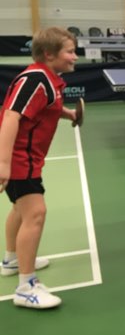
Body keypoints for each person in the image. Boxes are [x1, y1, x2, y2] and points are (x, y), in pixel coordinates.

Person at [0, 26, 80, 309]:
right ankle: (26, 287)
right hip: (19, 158)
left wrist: (68, 113)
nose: (75, 57)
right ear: (49, 54)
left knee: (20, 210)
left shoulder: (47, 79)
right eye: (70, 52)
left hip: (27, 157)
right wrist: (3, 163)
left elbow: (46, 108)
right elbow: (11, 117)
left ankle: (12, 260)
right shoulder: (36, 79)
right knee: (35, 213)